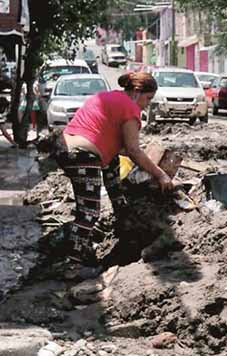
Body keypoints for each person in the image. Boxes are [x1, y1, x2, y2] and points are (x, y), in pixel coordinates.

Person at [57, 71, 173, 278]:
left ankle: (122, 214)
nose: (147, 105)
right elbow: (134, 151)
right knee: (89, 213)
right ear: (137, 92)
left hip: (67, 149)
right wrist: (161, 175)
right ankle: (71, 267)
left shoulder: (106, 97)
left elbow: (117, 148)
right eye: (148, 99)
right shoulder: (130, 108)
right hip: (84, 156)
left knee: (112, 165)